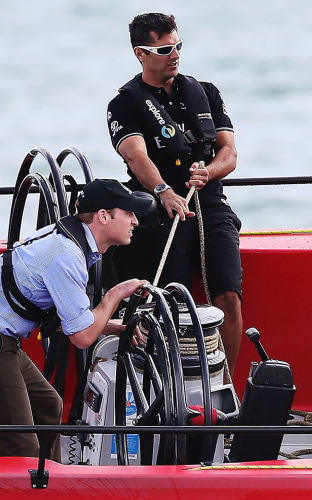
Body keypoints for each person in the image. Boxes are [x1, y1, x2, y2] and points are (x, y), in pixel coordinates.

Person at [0, 179, 154, 459]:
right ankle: (26, 491)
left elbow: (75, 318)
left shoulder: (67, 238)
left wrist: (113, 326)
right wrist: (116, 293)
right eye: (129, 213)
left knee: (47, 405)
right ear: (103, 216)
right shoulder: (66, 256)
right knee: (21, 445)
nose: (135, 222)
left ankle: (50, 485)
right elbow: (81, 338)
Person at [106, 13, 243, 376]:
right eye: (165, 49)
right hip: (158, 209)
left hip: (208, 202)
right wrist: (164, 191)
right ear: (141, 54)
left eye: (178, 46)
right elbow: (136, 155)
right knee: (167, 303)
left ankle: (224, 392)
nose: (175, 54)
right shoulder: (124, 104)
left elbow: (229, 153)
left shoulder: (207, 93)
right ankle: (170, 388)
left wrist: (208, 171)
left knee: (228, 296)